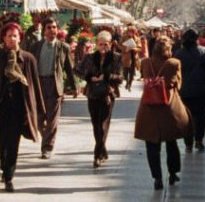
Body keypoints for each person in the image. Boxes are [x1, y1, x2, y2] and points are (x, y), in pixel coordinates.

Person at [0, 22, 45, 192]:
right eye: (9, 36)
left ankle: (9, 176)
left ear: (20, 38)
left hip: (19, 108)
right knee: (2, 142)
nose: (12, 39)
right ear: (3, 38)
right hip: (0, 108)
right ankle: (4, 167)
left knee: (13, 143)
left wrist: (38, 110)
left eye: (15, 36)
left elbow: (35, 86)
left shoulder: (28, 59)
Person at [134, 37, 193, 190]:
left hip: (149, 109)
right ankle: (173, 173)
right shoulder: (174, 63)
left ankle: (157, 178)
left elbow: (144, 77)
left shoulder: (145, 62)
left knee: (151, 145)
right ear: (168, 50)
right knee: (171, 142)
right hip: (169, 108)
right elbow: (178, 84)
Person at [29, 17, 78, 159]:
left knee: (52, 119)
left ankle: (47, 147)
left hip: (55, 85)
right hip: (39, 85)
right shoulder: (36, 47)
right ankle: (47, 137)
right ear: (44, 31)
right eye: (49, 28)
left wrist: (74, 87)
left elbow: (69, 68)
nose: (52, 30)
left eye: (54, 27)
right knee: (38, 118)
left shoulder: (63, 47)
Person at [76, 30, 122, 168]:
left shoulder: (116, 58)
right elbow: (77, 69)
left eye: (106, 44)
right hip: (92, 94)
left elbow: (120, 78)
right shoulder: (89, 57)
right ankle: (102, 149)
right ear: (96, 44)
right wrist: (90, 77)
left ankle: (97, 154)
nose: (103, 47)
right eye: (101, 44)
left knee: (103, 125)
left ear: (111, 44)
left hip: (108, 94)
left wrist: (106, 76)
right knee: (95, 124)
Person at [173, 28, 205, 152]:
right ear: (196, 39)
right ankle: (199, 140)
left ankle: (188, 143)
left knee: (186, 116)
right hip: (201, 90)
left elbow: (173, 72)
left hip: (184, 91)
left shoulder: (178, 54)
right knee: (200, 115)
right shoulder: (204, 52)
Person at [120, 25, 142, 91]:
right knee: (125, 72)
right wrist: (125, 49)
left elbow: (140, 48)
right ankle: (127, 81)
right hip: (126, 57)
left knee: (132, 72)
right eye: (129, 32)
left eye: (132, 32)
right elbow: (120, 46)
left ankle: (129, 84)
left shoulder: (137, 39)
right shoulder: (124, 38)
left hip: (134, 57)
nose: (130, 33)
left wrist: (134, 48)